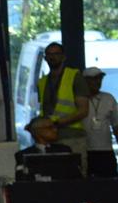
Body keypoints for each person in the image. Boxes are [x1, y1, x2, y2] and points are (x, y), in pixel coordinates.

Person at [36, 42, 89, 171]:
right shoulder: (42, 82)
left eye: (56, 54)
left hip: (72, 136)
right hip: (49, 138)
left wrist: (56, 122)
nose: (52, 57)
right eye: (49, 54)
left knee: (75, 174)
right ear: (45, 58)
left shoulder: (74, 76)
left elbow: (83, 110)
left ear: (63, 57)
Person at [82, 67, 118, 178]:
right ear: (85, 81)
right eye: (93, 79)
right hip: (84, 149)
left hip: (106, 149)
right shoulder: (79, 99)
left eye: (99, 79)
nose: (97, 82)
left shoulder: (108, 98)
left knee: (109, 180)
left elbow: (116, 125)